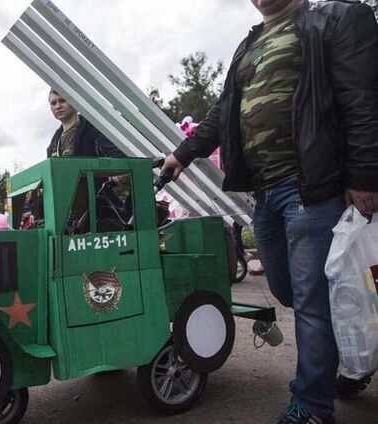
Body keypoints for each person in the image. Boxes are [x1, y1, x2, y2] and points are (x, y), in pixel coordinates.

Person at [160, 1, 378, 423]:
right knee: (287, 290)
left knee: (313, 301)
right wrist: (181, 155)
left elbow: (361, 100)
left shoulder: (331, 19)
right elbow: (223, 113)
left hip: (312, 185)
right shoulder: (249, 45)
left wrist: (366, 174)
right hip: (265, 192)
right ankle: (351, 354)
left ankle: (312, 406)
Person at [47, 89, 125, 158]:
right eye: (53, 103)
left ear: (74, 101)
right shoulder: (54, 142)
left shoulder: (94, 127)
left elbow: (118, 155)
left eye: (62, 100)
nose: (58, 106)